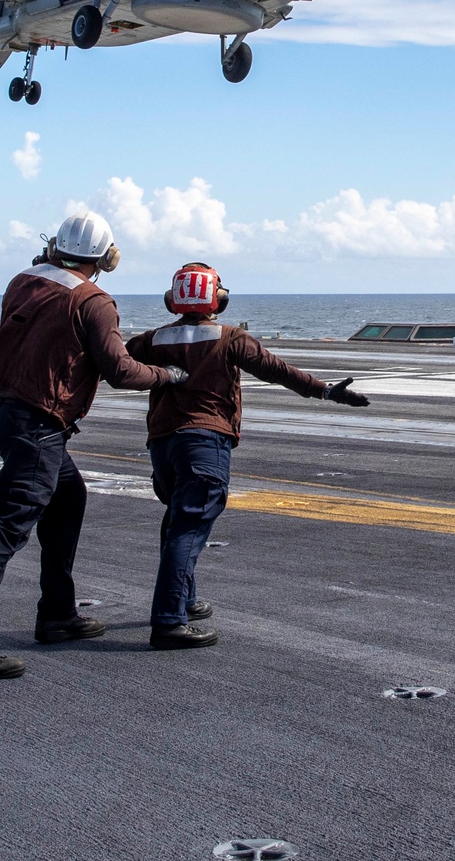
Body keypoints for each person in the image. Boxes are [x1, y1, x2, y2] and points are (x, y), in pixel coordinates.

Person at [0, 212, 187, 682]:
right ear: (107, 258)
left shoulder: (23, 279)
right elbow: (120, 371)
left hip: (8, 415)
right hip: (38, 428)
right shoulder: (95, 301)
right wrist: (168, 375)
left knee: (69, 497)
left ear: (56, 246)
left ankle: (58, 614)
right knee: (7, 531)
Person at [126, 262, 369, 650]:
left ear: (173, 300)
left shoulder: (150, 341)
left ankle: (184, 600)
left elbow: (114, 364)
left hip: (162, 444)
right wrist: (328, 392)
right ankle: (169, 621)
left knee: (177, 521)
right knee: (189, 528)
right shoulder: (230, 338)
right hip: (205, 442)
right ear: (218, 300)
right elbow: (279, 371)